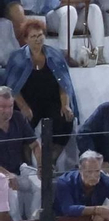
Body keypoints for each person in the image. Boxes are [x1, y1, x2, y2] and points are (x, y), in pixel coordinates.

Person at [5, 20, 78, 161]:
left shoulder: (55, 55)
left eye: (40, 35)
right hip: (27, 101)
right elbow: (12, 88)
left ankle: (49, 163)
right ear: (26, 39)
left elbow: (64, 84)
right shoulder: (17, 57)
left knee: (66, 120)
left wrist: (65, 105)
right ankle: (25, 165)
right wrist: (24, 107)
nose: (38, 39)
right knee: (21, 123)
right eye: (33, 36)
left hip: (52, 101)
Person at [55, 152, 109, 221]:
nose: (93, 176)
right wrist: (97, 210)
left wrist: (107, 211)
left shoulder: (105, 181)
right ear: (80, 169)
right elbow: (68, 209)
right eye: (89, 172)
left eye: (97, 171)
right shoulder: (65, 181)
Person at [0, 87, 40, 221]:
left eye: (10, 106)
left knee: (40, 184)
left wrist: (41, 166)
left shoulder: (18, 118)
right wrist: (6, 174)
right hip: (2, 174)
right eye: (2, 107)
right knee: (11, 192)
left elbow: (35, 144)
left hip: (18, 169)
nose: (7, 111)